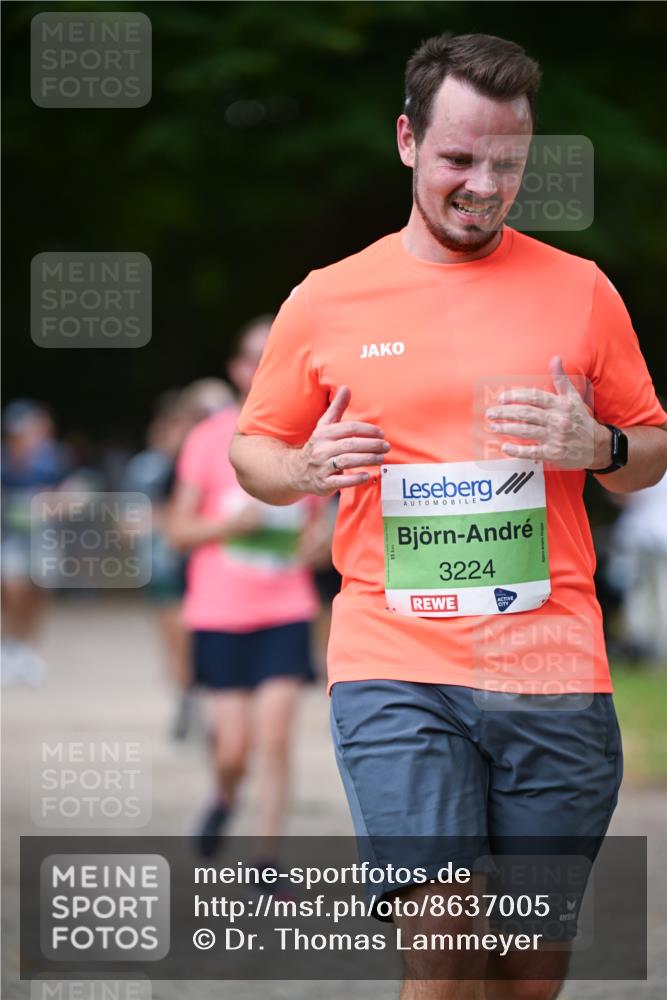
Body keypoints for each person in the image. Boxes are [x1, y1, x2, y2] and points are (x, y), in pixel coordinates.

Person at [229, 32, 667, 1000]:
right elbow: (253, 452)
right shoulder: (329, 298)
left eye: (506, 164)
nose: (483, 185)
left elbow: (649, 452)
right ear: (406, 141)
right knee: (442, 945)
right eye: (459, 159)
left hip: (550, 662)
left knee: (525, 971)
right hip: (394, 660)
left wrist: (596, 445)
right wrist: (302, 466)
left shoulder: (581, 291)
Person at [167, 317, 327, 859]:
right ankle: (223, 795)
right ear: (238, 370)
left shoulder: (309, 438)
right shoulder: (207, 439)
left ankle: (267, 860)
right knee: (233, 749)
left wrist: (318, 545)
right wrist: (229, 527)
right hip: (219, 613)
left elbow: (323, 531)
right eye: (256, 357)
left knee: (276, 738)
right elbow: (178, 530)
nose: (265, 367)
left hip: (287, 609)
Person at [1, 399, 71, 685]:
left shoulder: (53, 460)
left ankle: (28, 649)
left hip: (44, 537)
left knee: (37, 594)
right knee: (13, 589)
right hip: (12, 538)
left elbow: (68, 494)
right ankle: (10, 646)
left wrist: (52, 502)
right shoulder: (5, 462)